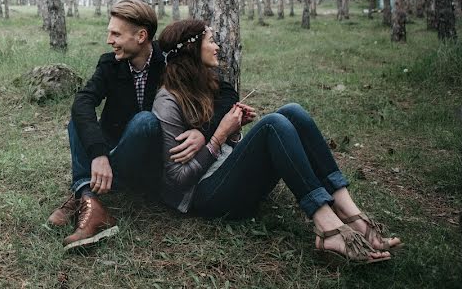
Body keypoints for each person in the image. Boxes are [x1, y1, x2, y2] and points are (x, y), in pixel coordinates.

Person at [152, 19, 403, 264]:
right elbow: (178, 178)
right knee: (273, 124)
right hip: (201, 195)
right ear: (192, 49)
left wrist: (232, 131)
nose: (217, 46)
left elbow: (225, 122)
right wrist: (218, 135)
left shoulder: (206, 83)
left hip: (223, 172)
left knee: (293, 112)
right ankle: (327, 227)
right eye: (210, 40)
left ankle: (349, 211)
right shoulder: (167, 102)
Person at [46, 0, 202, 250]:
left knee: (145, 121)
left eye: (116, 33)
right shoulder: (110, 63)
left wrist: (202, 132)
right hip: (115, 152)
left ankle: (85, 190)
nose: (109, 39)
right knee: (78, 119)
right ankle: (88, 197)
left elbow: (219, 90)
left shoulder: (169, 59)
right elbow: (84, 101)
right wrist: (98, 154)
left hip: (151, 162)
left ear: (141, 36)